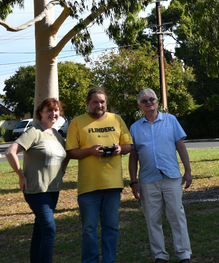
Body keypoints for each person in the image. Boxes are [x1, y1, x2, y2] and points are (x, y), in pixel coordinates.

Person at [66, 87, 133, 263]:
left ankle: (109, 260)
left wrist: (119, 149)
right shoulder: (77, 122)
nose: (99, 105)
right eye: (95, 102)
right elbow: (71, 152)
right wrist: (89, 151)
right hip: (89, 186)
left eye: (102, 102)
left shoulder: (116, 119)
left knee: (111, 227)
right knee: (89, 229)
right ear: (88, 103)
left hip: (113, 184)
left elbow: (128, 145)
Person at [129, 88, 192, 263]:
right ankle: (160, 255)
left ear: (157, 102)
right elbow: (133, 156)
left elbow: (180, 146)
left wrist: (188, 171)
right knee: (152, 219)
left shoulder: (170, 120)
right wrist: (133, 181)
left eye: (152, 99)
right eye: (145, 101)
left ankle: (184, 254)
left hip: (171, 176)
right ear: (140, 106)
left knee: (177, 216)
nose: (149, 102)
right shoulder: (135, 128)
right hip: (148, 180)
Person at [5, 98, 69, 263]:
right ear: (40, 112)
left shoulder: (56, 135)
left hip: (53, 190)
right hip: (36, 190)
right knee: (49, 229)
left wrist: (62, 170)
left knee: (40, 230)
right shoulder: (34, 132)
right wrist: (20, 175)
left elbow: (67, 153)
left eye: (56, 110)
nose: (53, 114)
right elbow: (10, 152)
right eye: (49, 110)